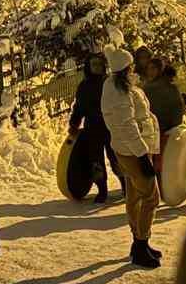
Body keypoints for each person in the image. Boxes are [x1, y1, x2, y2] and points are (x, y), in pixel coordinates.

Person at [101, 47, 161, 269]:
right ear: (125, 69)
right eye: (131, 66)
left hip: (130, 149)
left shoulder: (120, 87)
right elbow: (127, 126)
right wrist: (142, 155)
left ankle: (140, 242)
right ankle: (140, 244)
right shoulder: (119, 92)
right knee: (151, 197)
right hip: (133, 151)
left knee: (135, 196)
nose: (134, 68)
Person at [68, 53, 122, 204]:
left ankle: (126, 185)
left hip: (111, 127)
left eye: (99, 64)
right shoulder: (83, 87)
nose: (97, 67)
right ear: (88, 67)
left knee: (116, 158)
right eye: (94, 64)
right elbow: (79, 108)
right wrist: (74, 123)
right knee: (95, 162)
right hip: (92, 129)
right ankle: (102, 190)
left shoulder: (110, 83)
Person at [143, 61, 186, 180]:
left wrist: (173, 128)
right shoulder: (145, 88)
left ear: (160, 70)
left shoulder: (169, 87)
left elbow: (178, 107)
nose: (150, 71)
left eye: (153, 68)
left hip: (165, 131)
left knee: (164, 162)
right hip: (153, 131)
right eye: (149, 68)